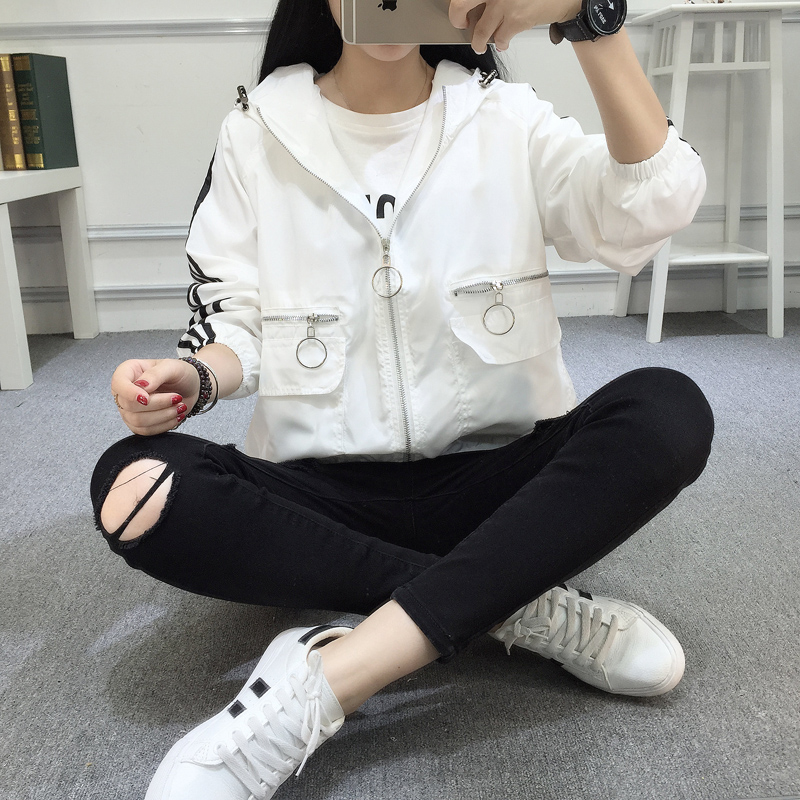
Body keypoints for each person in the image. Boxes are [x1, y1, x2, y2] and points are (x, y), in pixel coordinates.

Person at [90, 0, 713, 797]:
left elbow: (646, 208)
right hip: (325, 498)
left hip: (495, 485)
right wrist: (195, 375)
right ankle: (516, 605)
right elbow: (233, 317)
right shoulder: (256, 130)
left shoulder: (507, 117)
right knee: (133, 487)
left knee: (668, 410)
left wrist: (590, 16)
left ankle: (329, 681)